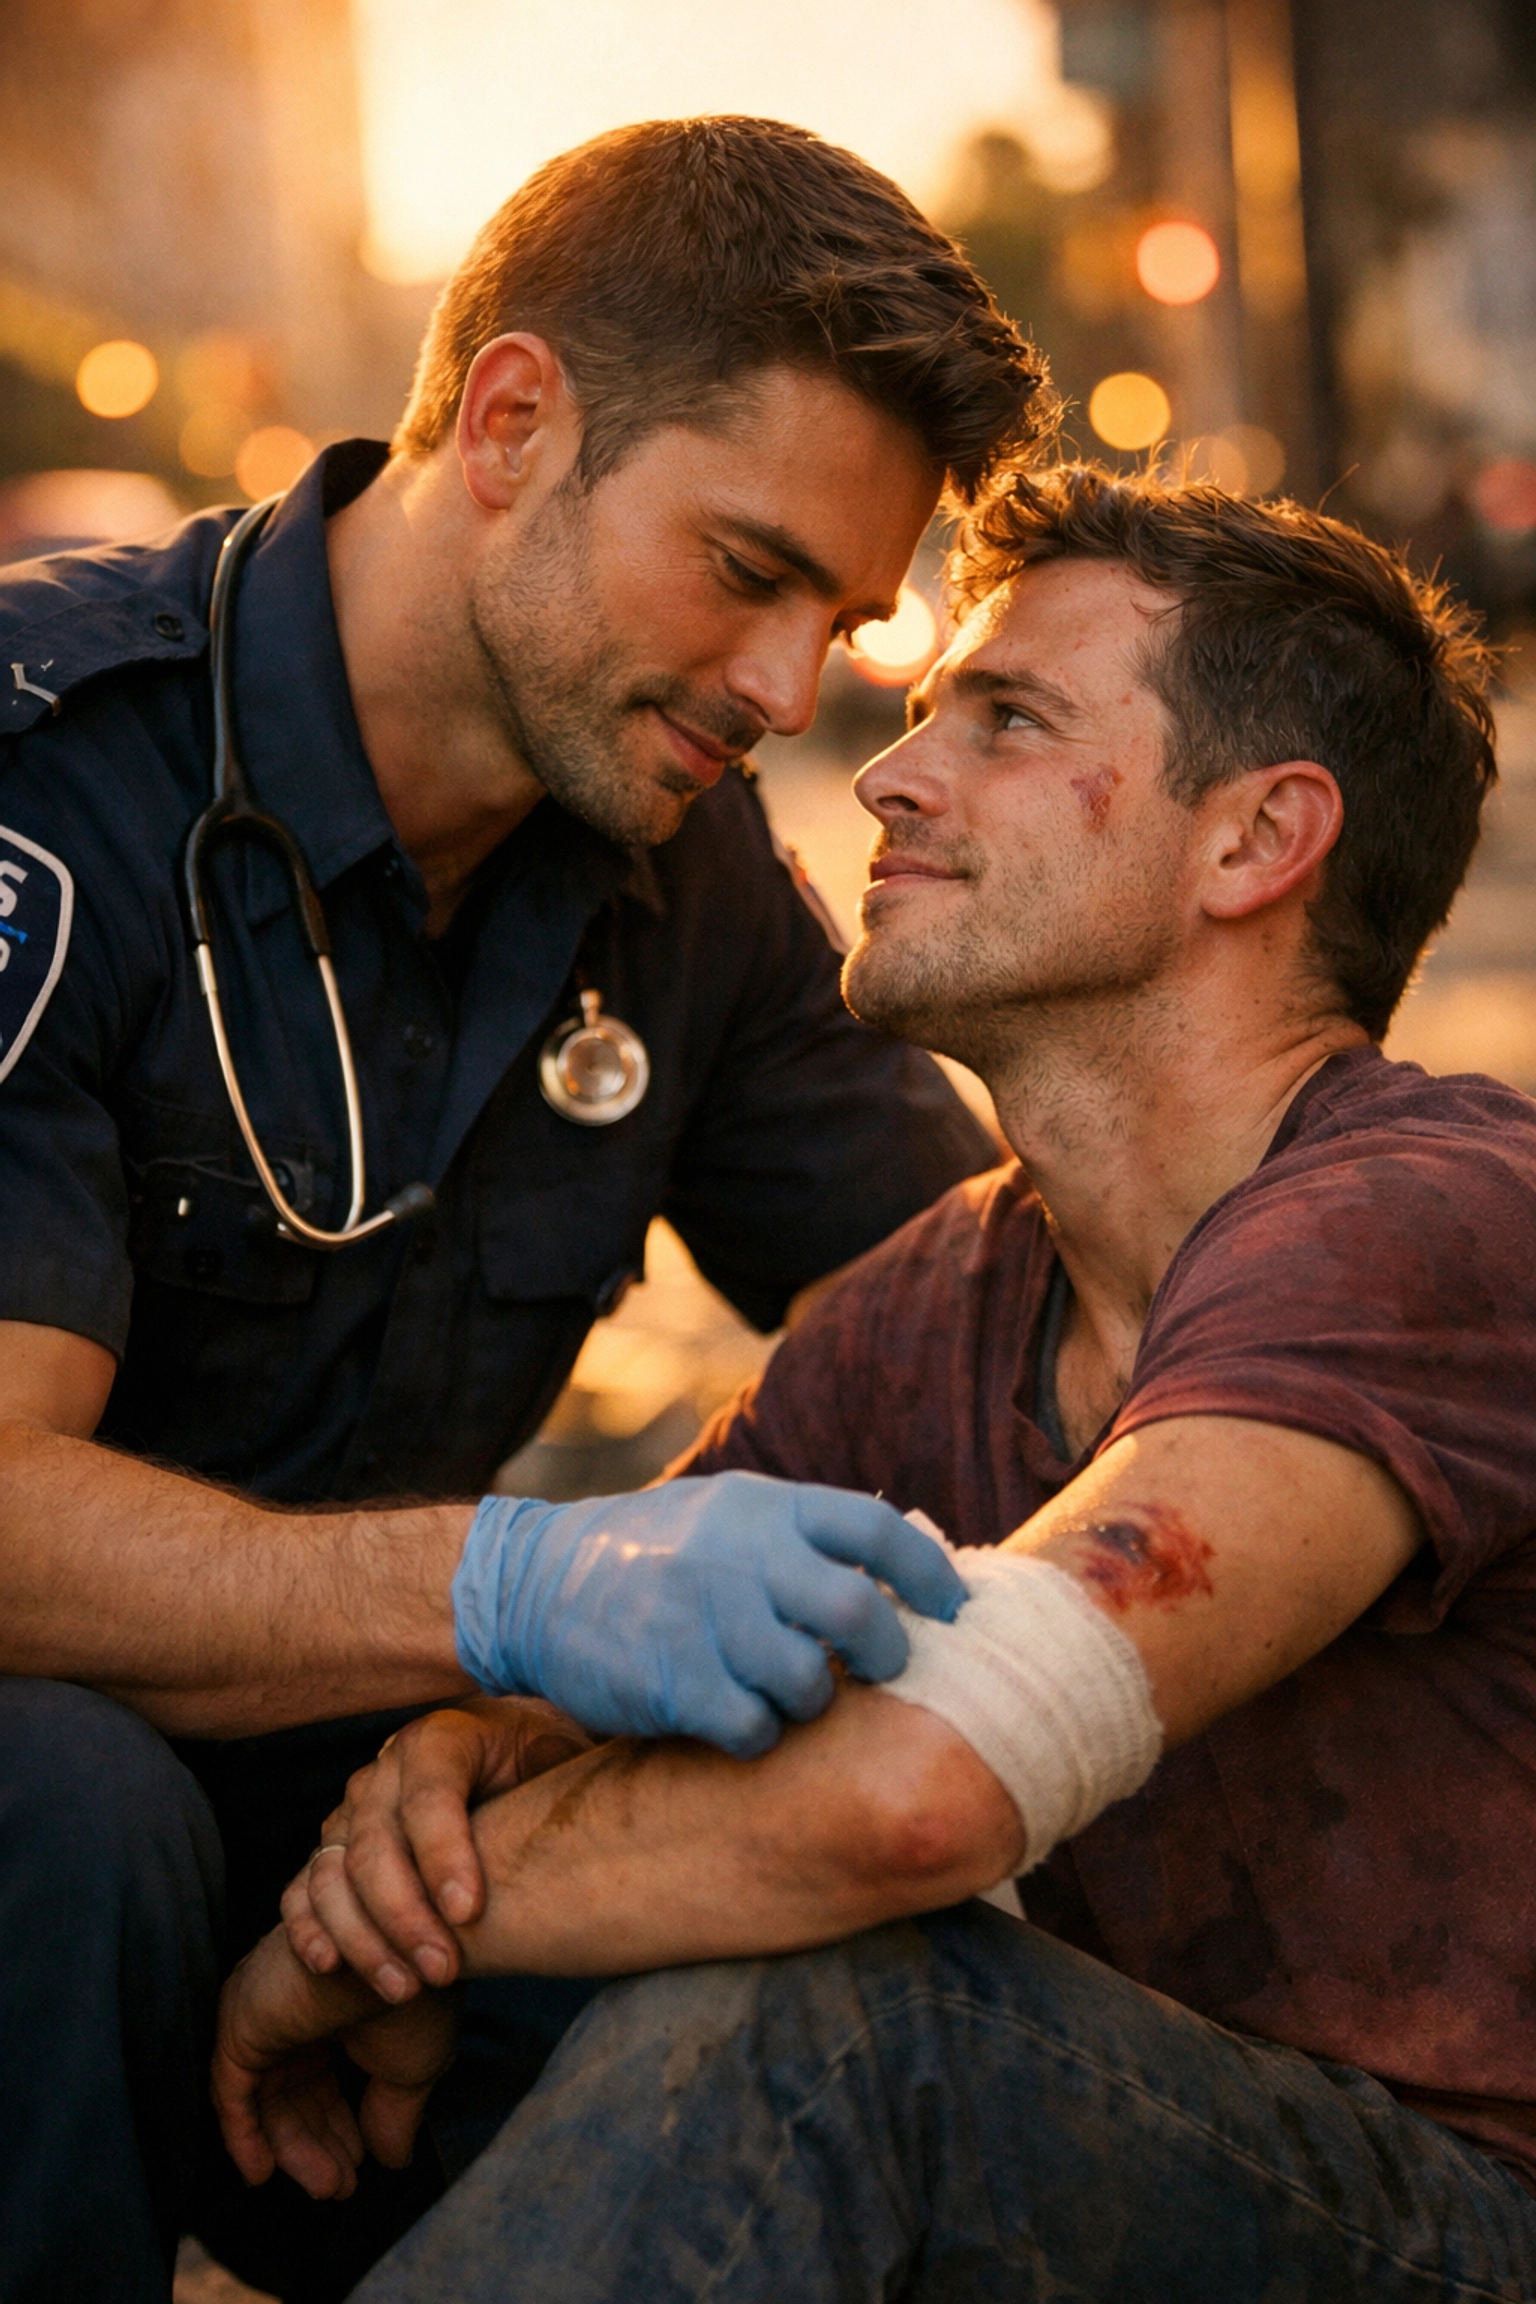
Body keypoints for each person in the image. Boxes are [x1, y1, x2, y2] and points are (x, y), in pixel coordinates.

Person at [218, 464, 1536, 2302]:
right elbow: (588, 1696)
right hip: (1101, 2154)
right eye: (924, 717)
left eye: (1008, 721)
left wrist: (361, 1943)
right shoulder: (946, 1290)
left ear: (1256, 841)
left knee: (838, 2015)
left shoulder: (1433, 1212)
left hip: (1461, 2223)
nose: (890, 777)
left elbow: (923, 1791)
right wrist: (456, 1766)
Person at [0, 117, 1051, 2303]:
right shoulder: (50, 778)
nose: (788, 693)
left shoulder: (674, 859)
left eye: (843, 623)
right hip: (55, 1784)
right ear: (510, 424)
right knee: (66, 1810)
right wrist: (519, 1590)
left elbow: (972, 1326)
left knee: (815, 1974)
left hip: (342, 1794)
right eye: (747, 570)